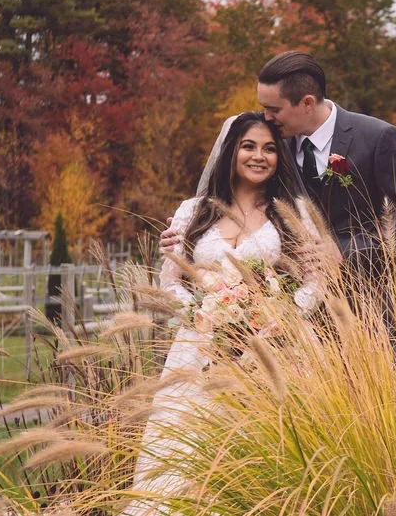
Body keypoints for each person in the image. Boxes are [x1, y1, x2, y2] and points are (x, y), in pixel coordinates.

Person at [125, 112, 316, 516]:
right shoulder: (192, 211)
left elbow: (318, 281)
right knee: (186, 447)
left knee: (263, 449)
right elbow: (170, 283)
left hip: (274, 348)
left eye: (269, 148)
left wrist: (279, 316)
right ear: (231, 150)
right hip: (199, 347)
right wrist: (204, 312)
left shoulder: (291, 211)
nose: (259, 156)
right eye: (249, 146)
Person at [163, 50, 396, 271]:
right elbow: (236, 199)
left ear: (306, 103)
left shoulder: (377, 138)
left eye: (274, 109)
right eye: (263, 108)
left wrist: (345, 251)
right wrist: (192, 230)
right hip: (285, 307)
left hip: (364, 310)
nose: (266, 117)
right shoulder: (270, 142)